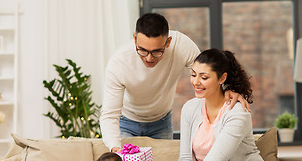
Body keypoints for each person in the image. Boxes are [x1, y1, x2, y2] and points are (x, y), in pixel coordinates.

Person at [144, 49, 278, 161]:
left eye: (204, 77)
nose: (196, 82)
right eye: (193, 75)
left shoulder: (237, 112)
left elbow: (214, 160)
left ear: (222, 78)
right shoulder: (190, 109)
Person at [100, 13, 250, 153]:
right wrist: (115, 148)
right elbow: (109, 114)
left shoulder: (182, 46)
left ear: (168, 41)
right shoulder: (118, 63)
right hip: (127, 122)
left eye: (157, 51)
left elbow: (208, 71)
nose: (149, 58)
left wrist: (227, 89)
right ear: (135, 39)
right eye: (143, 50)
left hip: (161, 121)